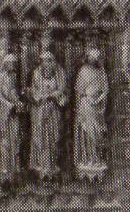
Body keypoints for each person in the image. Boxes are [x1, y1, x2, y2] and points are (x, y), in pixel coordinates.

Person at [29, 45, 66, 180]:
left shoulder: (59, 72)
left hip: (53, 110)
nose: (47, 64)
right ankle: (41, 165)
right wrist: (42, 95)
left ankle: (51, 164)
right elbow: (34, 91)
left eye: (50, 61)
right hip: (40, 111)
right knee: (40, 137)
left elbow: (62, 89)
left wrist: (54, 94)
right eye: (45, 61)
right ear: (41, 62)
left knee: (53, 137)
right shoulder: (36, 73)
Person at [73, 47, 107, 181]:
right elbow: (79, 91)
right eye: (91, 58)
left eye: (96, 58)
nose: (93, 60)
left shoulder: (101, 71)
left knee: (96, 133)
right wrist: (78, 106)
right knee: (86, 132)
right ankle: (87, 158)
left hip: (96, 108)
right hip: (85, 105)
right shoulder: (83, 70)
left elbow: (105, 89)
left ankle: (96, 158)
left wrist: (99, 100)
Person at [0, 51, 23, 187]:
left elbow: (13, 93)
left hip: (11, 114)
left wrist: (17, 102)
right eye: (11, 63)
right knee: (3, 142)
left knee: (14, 141)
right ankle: (2, 171)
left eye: (14, 63)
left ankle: (12, 171)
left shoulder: (12, 77)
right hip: (2, 114)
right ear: (6, 64)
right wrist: (9, 104)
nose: (13, 65)